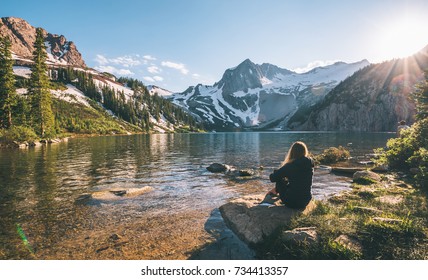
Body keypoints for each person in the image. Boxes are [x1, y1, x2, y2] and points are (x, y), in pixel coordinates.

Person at [267, 141, 314, 209]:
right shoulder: (310, 164)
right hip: (305, 201)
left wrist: (277, 171)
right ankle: (275, 191)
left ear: (292, 152)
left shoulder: (290, 165)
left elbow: (272, 178)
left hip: (292, 202)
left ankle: (274, 192)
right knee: (296, 181)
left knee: (280, 178)